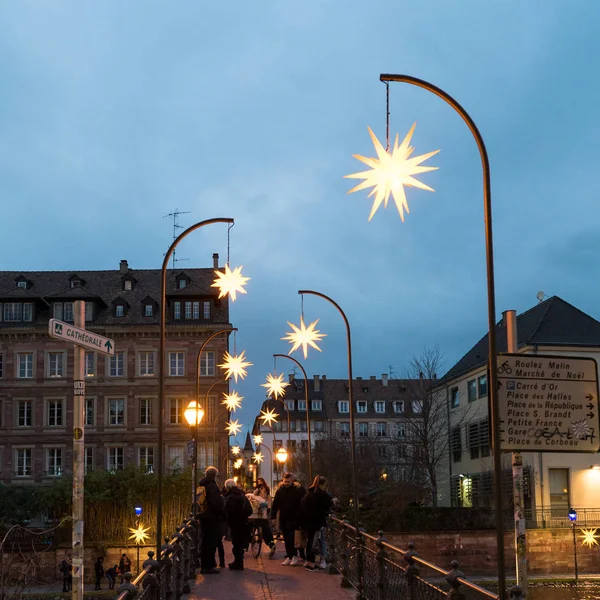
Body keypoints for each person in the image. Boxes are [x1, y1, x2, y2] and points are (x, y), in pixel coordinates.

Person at [271, 472, 306, 566]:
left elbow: (304, 503)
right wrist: (273, 516)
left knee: (293, 538)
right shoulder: (280, 490)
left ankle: (294, 556)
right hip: (284, 517)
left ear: (292, 481)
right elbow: (275, 503)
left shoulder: (298, 490)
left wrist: (302, 515)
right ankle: (290, 556)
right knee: (286, 538)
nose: (286, 483)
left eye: (288, 481)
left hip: (295, 518)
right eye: (285, 481)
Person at [301, 475, 333, 571]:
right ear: (320, 485)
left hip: (309, 522)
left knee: (310, 541)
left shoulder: (309, 493)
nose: (325, 488)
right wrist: (332, 503)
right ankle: (313, 562)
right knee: (317, 541)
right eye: (324, 486)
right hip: (318, 522)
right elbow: (327, 506)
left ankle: (309, 560)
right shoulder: (322, 495)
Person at [197, 466, 225, 574]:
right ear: (214, 475)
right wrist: (221, 514)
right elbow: (216, 503)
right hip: (211, 518)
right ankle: (209, 566)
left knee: (204, 542)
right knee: (211, 542)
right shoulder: (212, 486)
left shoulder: (201, 485)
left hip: (203, 516)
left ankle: (204, 565)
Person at [224, 479, 253, 570]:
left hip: (235, 524)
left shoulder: (230, 497)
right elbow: (249, 510)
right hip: (243, 522)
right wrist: (243, 515)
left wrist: (230, 520)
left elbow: (229, 511)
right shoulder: (242, 496)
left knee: (236, 543)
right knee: (240, 543)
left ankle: (238, 563)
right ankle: (239, 562)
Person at [246, 490, 276, 558]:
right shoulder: (262, 498)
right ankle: (271, 543)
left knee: (247, 527)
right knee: (266, 528)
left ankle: (245, 545)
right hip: (262, 516)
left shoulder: (249, 498)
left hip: (251, 517)